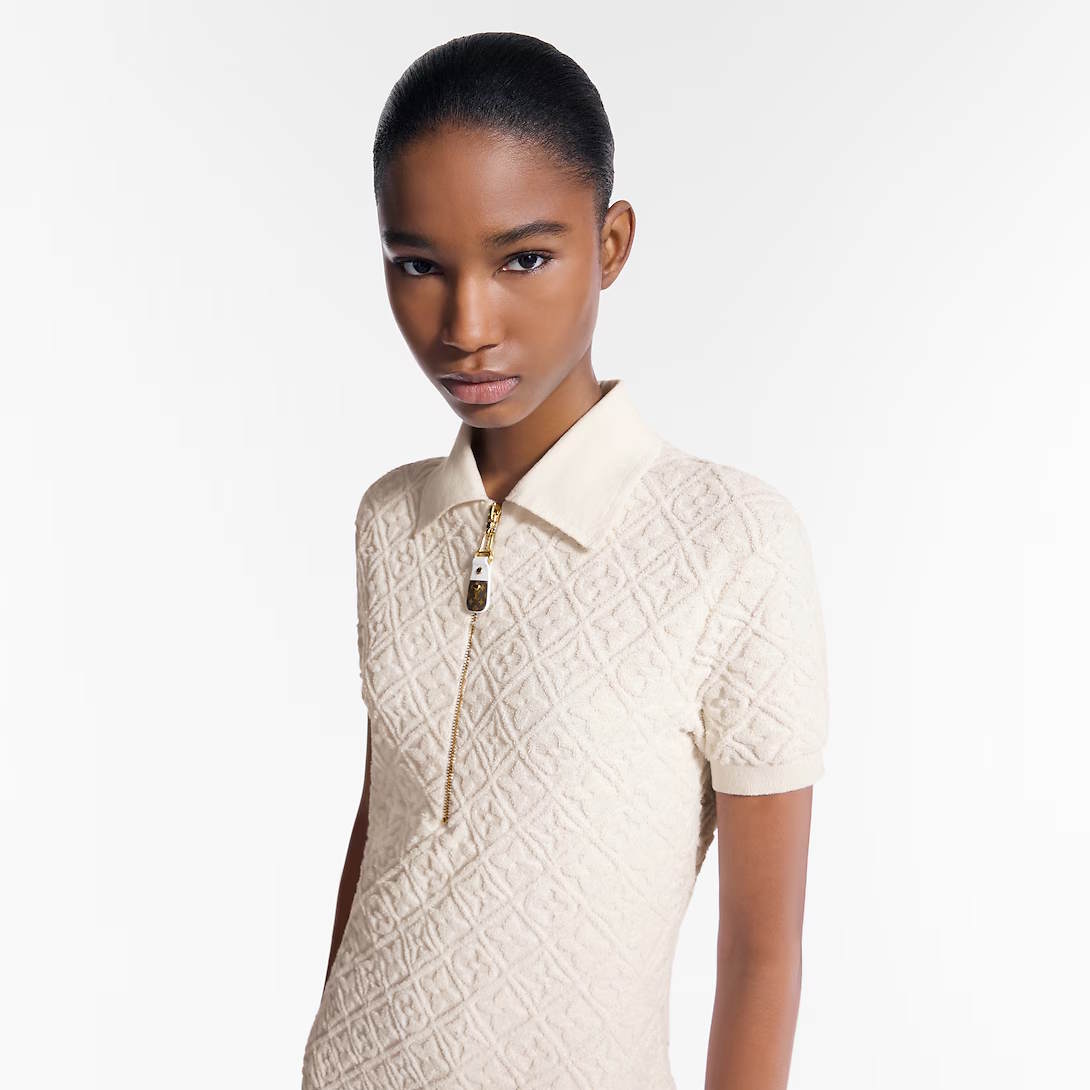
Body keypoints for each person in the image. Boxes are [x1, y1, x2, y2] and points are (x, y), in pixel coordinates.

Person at [301, 30, 829, 1090]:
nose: (466, 324)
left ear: (612, 243)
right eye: (418, 265)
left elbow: (760, 952)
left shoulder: (730, 542)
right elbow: (384, 829)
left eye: (523, 259)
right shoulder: (390, 521)